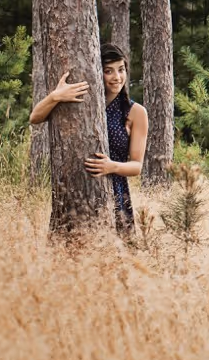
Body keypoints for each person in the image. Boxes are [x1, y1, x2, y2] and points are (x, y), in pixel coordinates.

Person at [29, 43, 148, 234]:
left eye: (121, 69)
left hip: (116, 193)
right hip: (75, 189)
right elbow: (35, 118)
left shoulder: (135, 112)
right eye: (108, 71)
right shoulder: (81, 100)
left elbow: (137, 166)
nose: (117, 77)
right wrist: (55, 96)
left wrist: (112, 166)